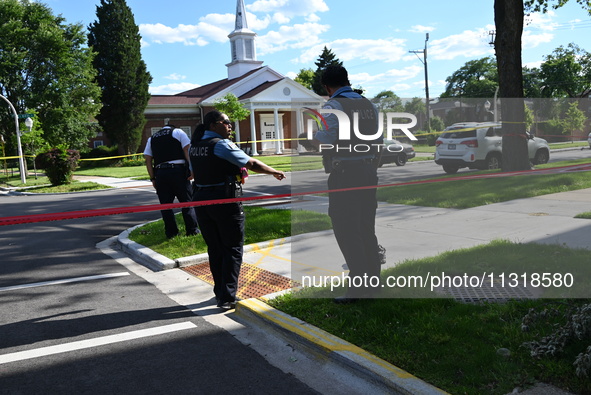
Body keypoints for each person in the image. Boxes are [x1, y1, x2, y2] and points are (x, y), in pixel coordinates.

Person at [189, 110, 285, 310]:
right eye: (227, 122)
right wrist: (274, 171)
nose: (230, 126)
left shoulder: (195, 146)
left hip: (201, 200)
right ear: (214, 125)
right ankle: (227, 296)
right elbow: (251, 163)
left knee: (215, 249)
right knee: (232, 248)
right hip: (224, 200)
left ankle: (220, 292)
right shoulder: (220, 144)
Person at [307, 65, 384, 303]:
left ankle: (357, 289)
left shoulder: (333, 106)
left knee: (347, 231)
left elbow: (326, 140)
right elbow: (379, 139)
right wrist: (371, 167)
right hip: (367, 171)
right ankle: (374, 283)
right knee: (366, 228)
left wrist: (308, 138)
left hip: (345, 174)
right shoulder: (369, 104)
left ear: (327, 87)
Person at [144, 124, 199, 239]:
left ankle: (171, 233)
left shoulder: (152, 138)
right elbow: (187, 149)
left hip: (161, 174)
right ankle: (192, 230)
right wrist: (192, 169)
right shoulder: (178, 132)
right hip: (178, 172)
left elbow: (148, 160)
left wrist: (153, 178)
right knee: (187, 203)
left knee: (166, 206)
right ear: (172, 127)